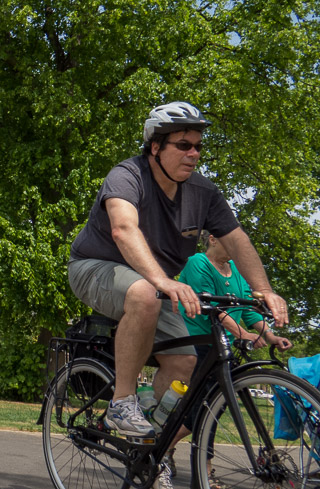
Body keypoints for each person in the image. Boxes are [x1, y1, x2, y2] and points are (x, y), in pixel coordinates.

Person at [67, 102, 288, 450]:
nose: (194, 153)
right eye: (183, 145)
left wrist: (264, 290)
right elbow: (124, 230)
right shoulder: (127, 175)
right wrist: (164, 281)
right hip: (94, 267)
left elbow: (237, 240)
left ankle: (149, 450)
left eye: (198, 146)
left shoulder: (204, 193)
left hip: (153, 285)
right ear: (155, 147)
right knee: (143, 293)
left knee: (185, 362)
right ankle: (121, 404)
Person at [162, 232, 293, 485]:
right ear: (212, 239)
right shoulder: (198, 262)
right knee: (204, 410)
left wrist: (271, 336)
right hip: (198, 345)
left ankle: (165, 446)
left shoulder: (236, 270)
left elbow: (247, 311)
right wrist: (242, 333)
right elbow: (212, 308)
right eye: (229, 240)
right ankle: (204, 472)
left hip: (223, 348)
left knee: (213, 408)